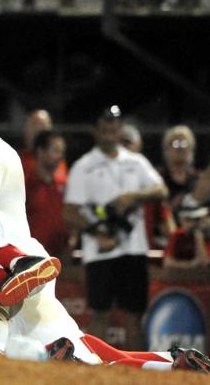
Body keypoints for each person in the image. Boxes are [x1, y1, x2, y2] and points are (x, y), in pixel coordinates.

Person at [62, 105, 168, 350]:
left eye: (114, 127)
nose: (110, 132)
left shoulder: (136, 162)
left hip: (134, 249)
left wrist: (132, 197)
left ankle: (136, 369)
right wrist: (98, 232)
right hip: (101, 251)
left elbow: (161, 190)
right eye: (104, 128)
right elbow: (69, 211)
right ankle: (91, 368)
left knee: (134, 316)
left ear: (120, 130)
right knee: (100, 313)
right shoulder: (84, 166)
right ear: (96, 131)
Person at [25, 130, 70, 258]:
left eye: (62, 151)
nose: (60, 156)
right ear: (40, 152)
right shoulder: (25, 185)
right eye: (55, 150)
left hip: (60, 257)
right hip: (31, 257)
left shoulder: (63, 185)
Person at [19, 109, 67, 182]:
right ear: (25, 129)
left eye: (43, 125)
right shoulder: (16, 161)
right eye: (34, 125)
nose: (39, 130)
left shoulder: (58, 161)